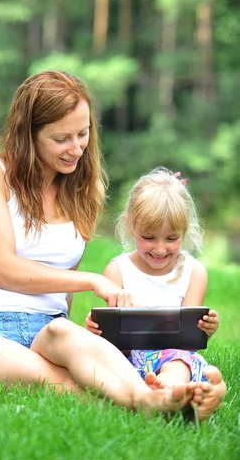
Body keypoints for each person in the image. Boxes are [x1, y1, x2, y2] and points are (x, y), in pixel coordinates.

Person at [0, 70, 204, 415]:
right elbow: (4, 271)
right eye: (61, 138)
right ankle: (150, 404)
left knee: (69, 340)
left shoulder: (83, 191)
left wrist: (86, 340)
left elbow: (61, 293)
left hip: (51, 329)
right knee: (59, 384)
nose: (77, 148)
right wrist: (93, 281)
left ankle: (161, 398)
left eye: (83, 133)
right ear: (28, 135)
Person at [85, 167, 227, 420]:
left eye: (171, 238)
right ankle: (158, 394)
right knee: (101, 362)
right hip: (126, 359)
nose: (160, 249)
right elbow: (110, 336)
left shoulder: (194, 272)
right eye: (149, 237)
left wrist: (205, 328)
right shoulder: (117, 271)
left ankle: (169, 390)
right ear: (131, 226)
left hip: (173, 358)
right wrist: (95, 330)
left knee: (177, 362)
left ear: (185, 231)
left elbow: (187, 340)